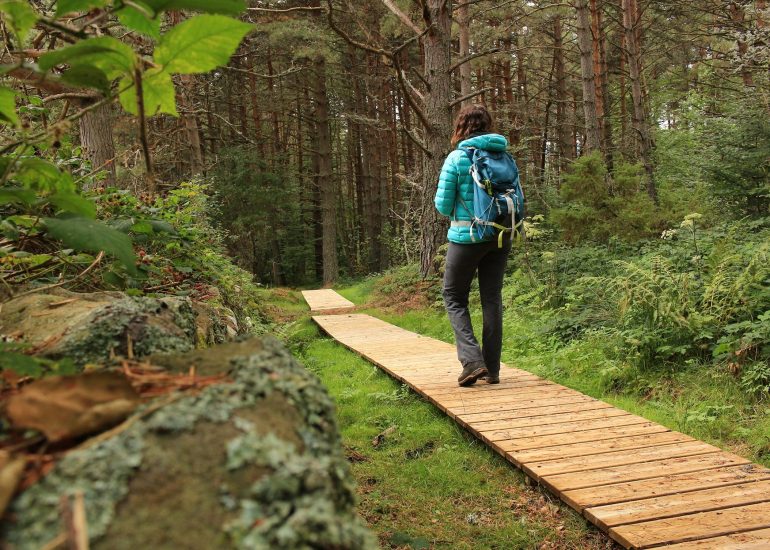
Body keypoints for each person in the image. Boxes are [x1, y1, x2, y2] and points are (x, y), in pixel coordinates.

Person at [435, 104, 513, 387]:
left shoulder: (457, 158)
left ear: (461, 126)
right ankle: (492, 370)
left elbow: (443, 206)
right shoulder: (504, 156)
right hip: (500, 235)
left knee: (454, 296)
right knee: (492, 298)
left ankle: (471, 362)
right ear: (488, 125)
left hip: (466, 237)